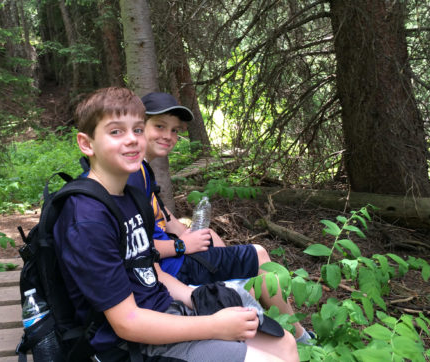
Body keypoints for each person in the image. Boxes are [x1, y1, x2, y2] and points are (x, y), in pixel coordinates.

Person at [53, 86, 299, 362]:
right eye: (115, 132)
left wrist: (196, 297)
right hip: (130, 345)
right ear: (86, 144)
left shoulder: (130, 197)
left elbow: (151, 270)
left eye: (136, 130)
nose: (132, 140)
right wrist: (214, 325)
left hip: (164, 309)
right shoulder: (87, 219)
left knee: (284, 344)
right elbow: (127, 322)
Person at [127, 92, 314, 344]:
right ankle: (298, 336)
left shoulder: (142, 170)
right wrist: (182, 245)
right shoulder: (130, 178)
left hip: (174, 257)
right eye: (159, 126)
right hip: (173, 268)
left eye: (174, 130)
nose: (168, 136)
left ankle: (237, 295)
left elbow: (163, 214)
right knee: (260, 258)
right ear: (138, 127)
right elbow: (137, 249)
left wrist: (186, 233)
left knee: (214, 238)